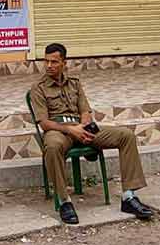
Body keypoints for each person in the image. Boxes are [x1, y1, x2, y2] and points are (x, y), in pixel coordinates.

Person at [29, 43, 153, 225]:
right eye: (46, 61)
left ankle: (128, 197)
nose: (49, 66)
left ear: (64, 63)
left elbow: (85, 110)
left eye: (54, 62)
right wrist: (71, 130)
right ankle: (64, 202)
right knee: (53, 147)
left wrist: (85, 126)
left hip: (81, 127)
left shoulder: (75, 84)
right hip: (58, 130)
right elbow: (44, 123)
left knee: (126, 135)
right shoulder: (38, 88)